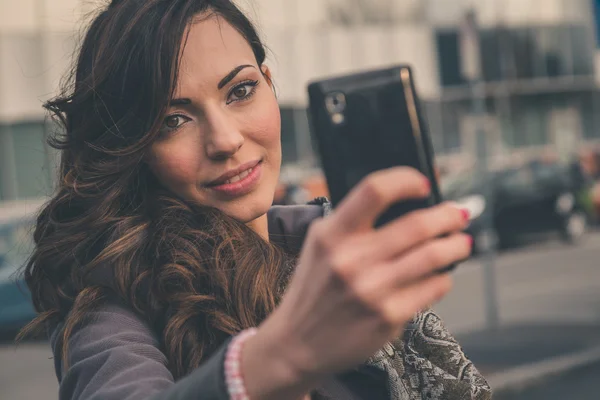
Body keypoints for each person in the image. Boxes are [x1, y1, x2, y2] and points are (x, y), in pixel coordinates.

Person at [19, 1, 492, 399]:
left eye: (240, 91)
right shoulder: (111, 308)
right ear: (134, 150)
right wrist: (286, 353)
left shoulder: (332, 248)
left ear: (269, 83)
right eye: (173, 120)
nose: (225, 140)